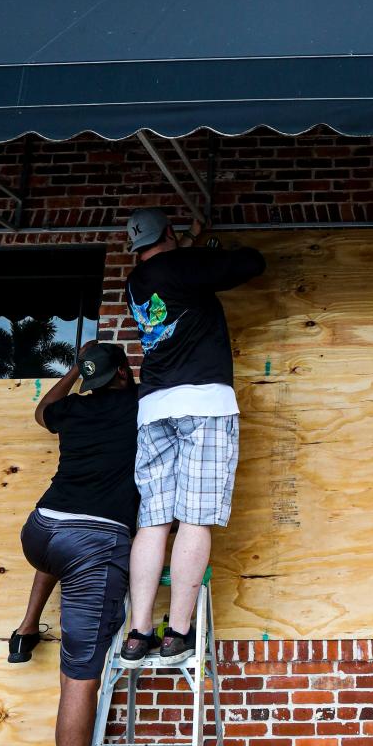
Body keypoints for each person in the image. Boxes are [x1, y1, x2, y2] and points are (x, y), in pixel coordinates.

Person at [15, 340, 140, 746]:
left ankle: (26, 627)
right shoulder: (135, 403)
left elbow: (42, 411)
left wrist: (73, 374)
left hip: (40, 531)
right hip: (95, 539)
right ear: (124, 374)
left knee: (57, 551)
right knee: (79, 683)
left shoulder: (75, 406)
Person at [121, 208, 265, 668]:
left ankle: (138, 632)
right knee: (196, 518)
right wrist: (203, 246)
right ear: (168, 233)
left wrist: (188, 244)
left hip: (153, 407)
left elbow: (173, 273)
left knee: (153, 522)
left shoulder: (134, 283)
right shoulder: (185, 265)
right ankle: (177, 633)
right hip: (203, 402)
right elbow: (251, 263)